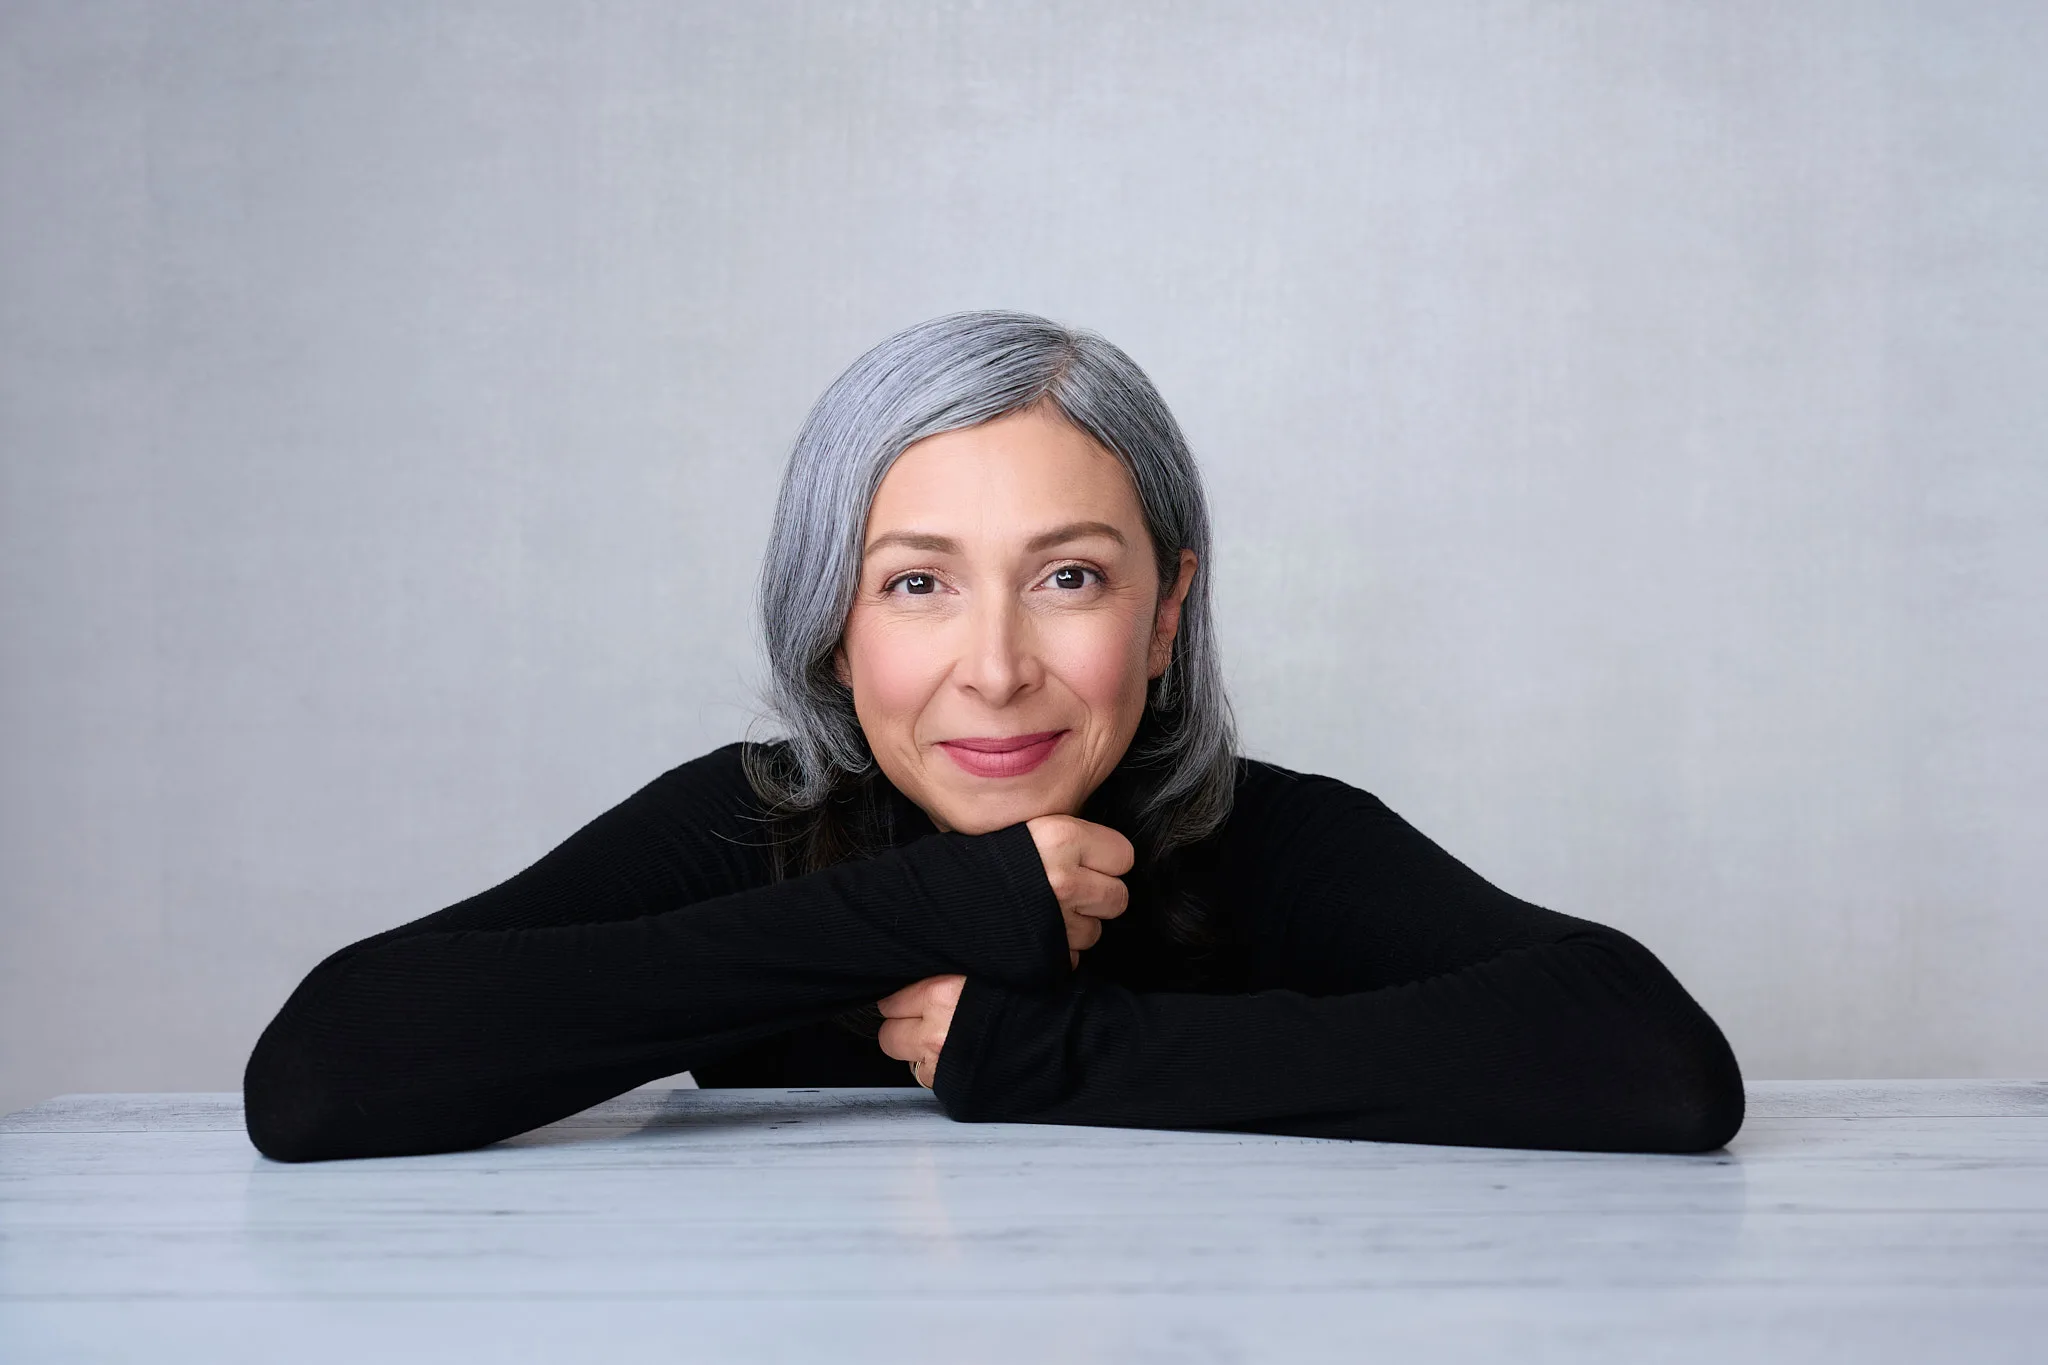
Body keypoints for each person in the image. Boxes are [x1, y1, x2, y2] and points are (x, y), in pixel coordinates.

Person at [242, 310, 1745, 1163]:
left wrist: (1075, 1053)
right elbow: (322, 1077)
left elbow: (1655, 1067)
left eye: (1072, 578)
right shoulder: (749, 821)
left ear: (1165, 620)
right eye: (919, 584)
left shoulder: (1262, 836)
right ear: (837, 622)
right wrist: (908, 908)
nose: (998, 667)